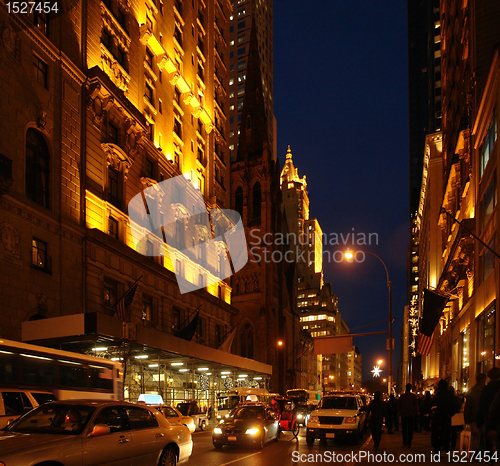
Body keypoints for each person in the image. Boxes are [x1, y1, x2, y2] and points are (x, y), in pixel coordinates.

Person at [478, 367, 500, 454]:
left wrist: (479, 420)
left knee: (488, 439)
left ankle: (490, 457)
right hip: (498, 417)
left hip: (488, 417)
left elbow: (482, 405)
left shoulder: (486, 389)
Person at [431, 379, 456, 453]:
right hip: (445, 417)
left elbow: (433, 404)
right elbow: (454, 406)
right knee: (446, 433)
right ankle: (446, 447)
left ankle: (437, 449)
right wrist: (450, 414)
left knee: (437, 434)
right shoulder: (449, 394)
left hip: (438, 416)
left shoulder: (437, 394)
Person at [464, 373, 486, 453]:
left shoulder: (472, 390)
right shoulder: (486, 389)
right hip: (484, 417)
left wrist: (466, 419)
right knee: (484, 436)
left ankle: (477, 452)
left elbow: (468, 406)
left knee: (476, 436)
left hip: (474, 418)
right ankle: (483, 453)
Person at [398, 383, 419, 448]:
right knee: (410, 429)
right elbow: (416, 406)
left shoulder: (402, 397)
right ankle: (409, 442)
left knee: (404, 429)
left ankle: (405, 442)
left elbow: (399, 406)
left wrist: (400, 412)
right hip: (411, 415)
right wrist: (415, 412)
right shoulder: (413, 396)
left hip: (404, 414)